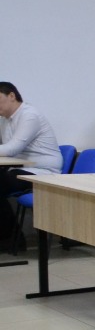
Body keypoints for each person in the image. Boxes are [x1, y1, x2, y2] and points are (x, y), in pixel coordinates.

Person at [0, 82, 63, 246]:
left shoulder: (29, 115)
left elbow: (12, 149)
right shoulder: (5, 119)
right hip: (21, 169)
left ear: (11, 96)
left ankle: (11, 239)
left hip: (42, 172)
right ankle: (12, 237)